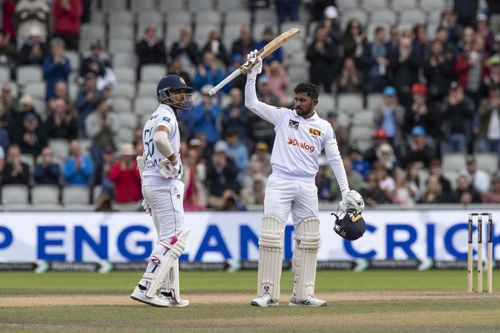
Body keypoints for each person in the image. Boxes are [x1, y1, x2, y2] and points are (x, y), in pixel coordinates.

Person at [244, 51, 365, 307]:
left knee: (309, 238)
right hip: (280, 181)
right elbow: (252, 104)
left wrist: (345, 192)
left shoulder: (324, 128)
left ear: (315, 102)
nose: (297, 104)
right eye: (296, 99)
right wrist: (253, 73)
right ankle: (268, 293)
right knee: (271, 236)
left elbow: (335, 159)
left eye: (302, 100)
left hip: (307, 185)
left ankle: (302, 295)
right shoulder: (284, 116)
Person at [130, 74, 193, 308]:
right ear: (165, 93)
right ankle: (145, 286)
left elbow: (147, 153)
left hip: (151, 182)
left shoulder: (153, 116)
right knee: (174, 238)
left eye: (184, 92)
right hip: (164, 183)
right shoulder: (166, 114)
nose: (182, 96)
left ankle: (168, 291)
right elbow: (159, 139)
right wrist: (174, 159)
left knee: (166, 238)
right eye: (177, 91)